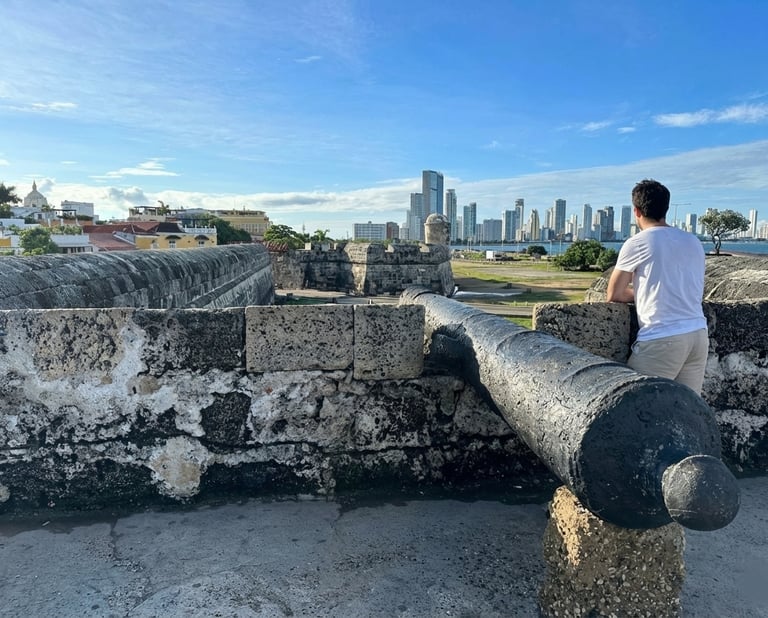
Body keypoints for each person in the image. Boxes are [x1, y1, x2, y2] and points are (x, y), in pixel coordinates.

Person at [607, 179, 708, 394]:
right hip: (698, 335)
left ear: (636, 211)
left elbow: (614, 293)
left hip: (663, 337)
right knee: (686, 409)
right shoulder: (692, 241)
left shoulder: (638, 242)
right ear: (666, 209)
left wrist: (642, 294)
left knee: (635, 404)